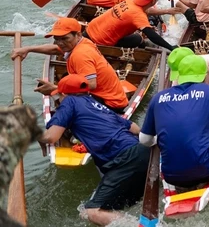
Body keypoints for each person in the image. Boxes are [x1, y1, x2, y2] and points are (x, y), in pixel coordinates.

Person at [40, 74, 150, 226]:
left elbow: (51, 137)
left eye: (57, 97)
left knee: (91, 212)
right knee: (117, 207)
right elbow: (135, 128)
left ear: (63, 94)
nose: (57, 102)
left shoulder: (69, 102)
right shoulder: (97, 105)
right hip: (143, 152)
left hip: (124, 159)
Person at [139, 55, 209, 189]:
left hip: (170, 176)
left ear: (177, 76)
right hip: (208, 169)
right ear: (204, 75)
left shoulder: (158, 98)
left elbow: (144, 140)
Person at [13, 17, 129, 113]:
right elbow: (55, 49)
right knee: (65, 80)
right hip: (112, 96)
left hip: (110, 103)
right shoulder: (82, 42)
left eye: (64, 38)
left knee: (64, 92)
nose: (60, 43)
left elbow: (92, 85)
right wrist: (28, 49)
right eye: (57, 39)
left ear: (77, 35)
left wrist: (55, 89)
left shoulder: (80, 55)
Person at [86, 0, 180, 50]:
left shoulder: (130, 1)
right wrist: (171, 47)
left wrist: (167, 11)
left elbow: (147, 11)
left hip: (89, 29)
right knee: (138, 39)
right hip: (100, 42)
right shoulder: (138, 15)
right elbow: (152, 36)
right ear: (154, 0)